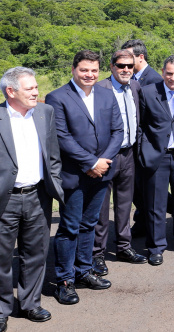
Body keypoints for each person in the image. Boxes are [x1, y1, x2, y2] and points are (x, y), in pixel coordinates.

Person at [46, 50, 123, 304]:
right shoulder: (57, 97)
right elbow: (62, 137)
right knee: (69, 227)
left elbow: (117, 131)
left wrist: (102, 163)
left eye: (93, 70)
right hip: (74, 175)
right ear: (73, 70)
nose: (89, 75)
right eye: (84, 70)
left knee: (89, 224)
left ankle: (84, 271)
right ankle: (65, 281)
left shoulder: (106, 93)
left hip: (101, 173)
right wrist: (90, 162)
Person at [0, 67, 64, 327]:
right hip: (6, 199)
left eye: (37, 87)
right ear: (10, 91)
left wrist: (55, 182)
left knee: (36, 253)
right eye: (30, 89)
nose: (37, 92)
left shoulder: (45, 112)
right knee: (2, 257)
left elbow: (53, 154)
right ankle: (2, 308)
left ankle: (30, 304)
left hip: (38, 195)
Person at [137, 55, 174, 265]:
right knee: (156, 204)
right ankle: (155, 247)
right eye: (169, 73)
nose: (173, 78)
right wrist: (142, 152)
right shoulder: (147, 92)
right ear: (162, 72)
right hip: (156, 156)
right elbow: (141, 125)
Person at [93, 49, 147, 274]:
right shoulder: (99, 89)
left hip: (128, 154)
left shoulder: (135, 86)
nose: (125, 70)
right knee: (101, 209)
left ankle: (124, 247)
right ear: (112, 66)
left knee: (124, 205)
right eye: (120, 66)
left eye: (129, 66)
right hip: (106, 156)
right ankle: (97, 254)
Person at [121, 39, 161, 240]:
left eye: (129, 57)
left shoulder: (153, 79)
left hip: (145, 143)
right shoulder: (131, 77)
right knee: (137, 186)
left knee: (145, 186)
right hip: (132, 143)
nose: (125, 62)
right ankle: (143, 220)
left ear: (140, 57)